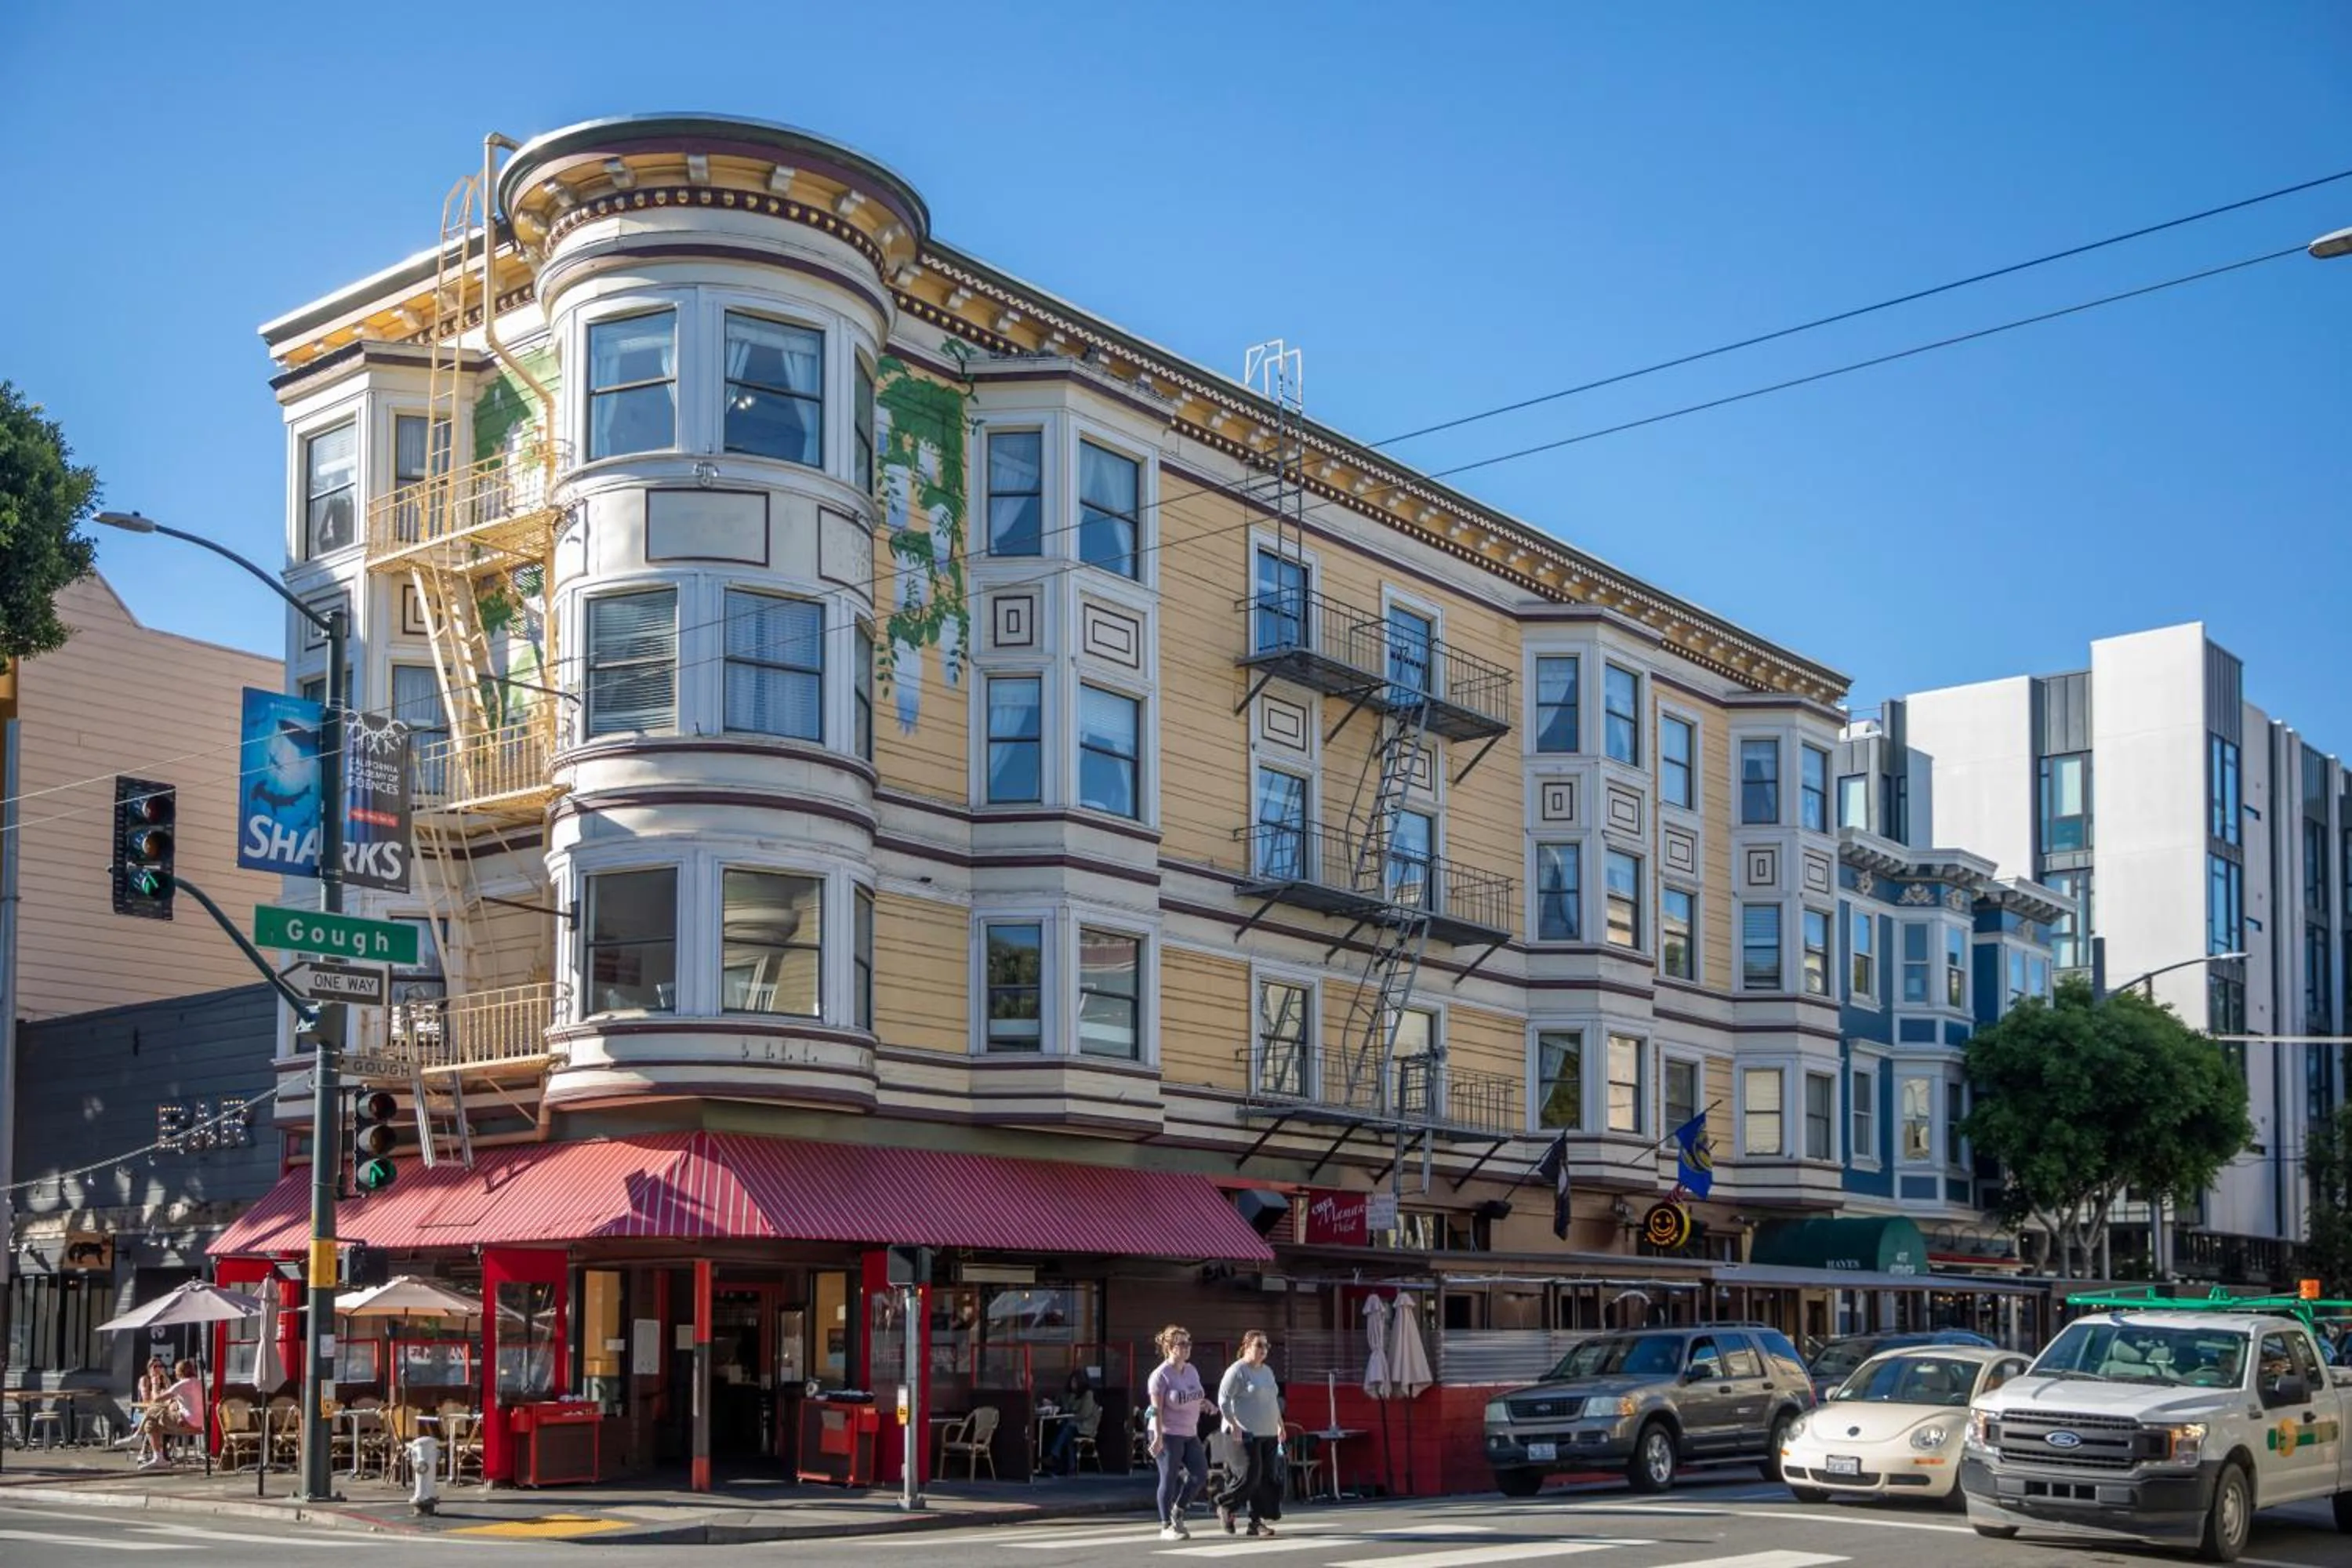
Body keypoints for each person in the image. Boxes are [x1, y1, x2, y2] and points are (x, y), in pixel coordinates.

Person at [1213, 1330, 1284, 1537]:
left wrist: (1280, 1424)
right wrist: (1234, 1424)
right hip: (1243, 1433)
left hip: (1268, 1431)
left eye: (1266, 1346)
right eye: (1259, 1345)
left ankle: (1256, 1522)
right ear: (1246, 1346)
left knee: (1266, 1477)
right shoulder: (1237, 1371)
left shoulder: (1267, 1371)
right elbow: (1223, 1401)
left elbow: (1272, 1400)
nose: (1263, 1350)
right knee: (1250, 1475)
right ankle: (1225, 1505)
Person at [1147, 1326, 1208, 1541]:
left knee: (1200, 1474)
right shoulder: (1160, 1375)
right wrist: (1157, 1436)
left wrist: (1205, 1403)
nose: (1187, 1348)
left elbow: (1195, 1395)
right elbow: (1155, 1409)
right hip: (1167, 1432)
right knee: (1169, 1477)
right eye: (1182, 1344)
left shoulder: (1191, 1370)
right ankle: (1166, 1526)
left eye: (1188, 1343)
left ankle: (1178, 1510)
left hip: (1190, 1432)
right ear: (1170, 1348)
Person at [137, 1359, 205, 1470]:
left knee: (152, 1416)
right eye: (155, 1367)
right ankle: (156, 1453)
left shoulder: (182, 1384)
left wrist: (155, 1384)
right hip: (201, 1425)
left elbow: (157, 1400)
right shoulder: (199, 1383)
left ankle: (156, 1456)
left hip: (186, 1422)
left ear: (179, 1372)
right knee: (154, 1423)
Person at [1043, 1370, 1097, 1475]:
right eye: (1072, 1382)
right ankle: (1069, 1467)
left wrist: (1070, 1417)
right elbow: (1061, 1404)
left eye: (1075, 1382)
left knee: (1067, 1428)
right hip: (1070, 1425)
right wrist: (1051, 1403)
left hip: (1084, 1426)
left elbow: (1084, 1414)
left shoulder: (1088, 1395)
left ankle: (1054, 1456)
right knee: (1066, 1433)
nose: (1073, 1385)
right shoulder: (1068, 1394)